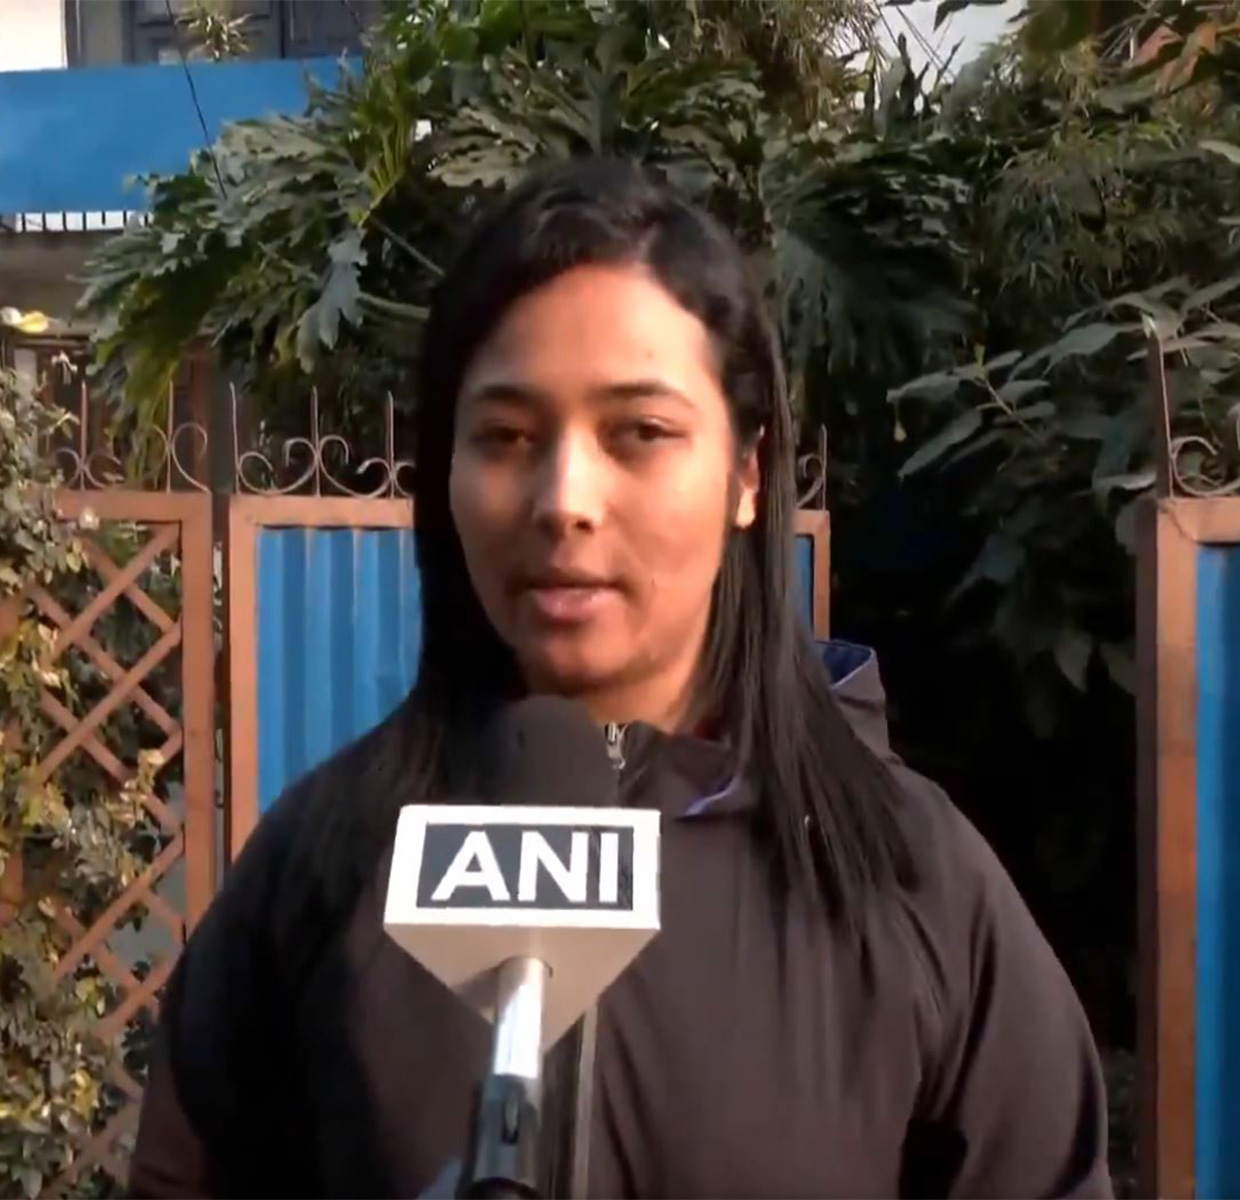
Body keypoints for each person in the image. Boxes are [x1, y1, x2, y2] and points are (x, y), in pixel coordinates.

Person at [129, 157, 1111, 1199]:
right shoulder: (325, 861)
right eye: (506, 436)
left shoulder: (912, 878)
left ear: (746, 474)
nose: (564, 499)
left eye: (640, 433)